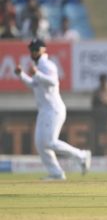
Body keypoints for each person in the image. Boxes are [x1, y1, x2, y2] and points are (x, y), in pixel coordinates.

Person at [14, 39, 91, 180]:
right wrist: (21, 75)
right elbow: (34, 84)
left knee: (50, 142)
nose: (33, 52)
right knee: (40, 143)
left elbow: (53, 81)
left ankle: (82, 155)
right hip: (44, 111)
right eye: (31, 49)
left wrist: (36, 73)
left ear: (43, 50)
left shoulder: (48, 65)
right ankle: (56, 173)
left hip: (53, 109)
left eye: (36, 49)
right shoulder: (38, 66)